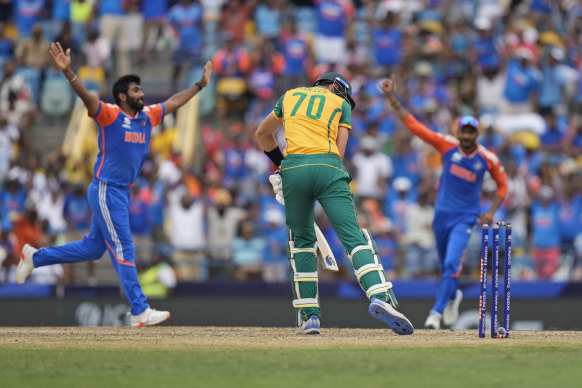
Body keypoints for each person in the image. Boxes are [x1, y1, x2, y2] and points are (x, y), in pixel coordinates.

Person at [16, 41, 213, 327]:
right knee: (124, 248)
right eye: (136, 90)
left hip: (120, 192)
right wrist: (69, 73)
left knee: (93, 248)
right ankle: (139, 310)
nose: (142, 94)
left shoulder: (146, 117)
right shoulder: (110, 115)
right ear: (122, 96)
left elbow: (173, 102)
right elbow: (87, 98)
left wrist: (200, 85)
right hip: (107, 188)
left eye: (141, 89)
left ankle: (34, 258)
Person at [255, 72, 414, 335]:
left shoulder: (289, 95)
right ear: (337, 87)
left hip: (293, 168)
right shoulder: (339, 104)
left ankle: (310, 318)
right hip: (328, 165)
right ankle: (380, 298)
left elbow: (262, 133)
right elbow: (338, 153)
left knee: (302, 243)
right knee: (354, 238)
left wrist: (283, 166)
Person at [379, 75, 508, 329]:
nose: (467, 135)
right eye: (464, 130)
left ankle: (435, 314)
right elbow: (416, 127)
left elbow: (503, 185)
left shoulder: (487, 158)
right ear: (457, 131)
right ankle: (452, 296)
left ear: (477, 133)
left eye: (472, 131)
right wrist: (393, 99)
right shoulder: (447, 145)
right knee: (445, 267)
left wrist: (491, 210)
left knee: (451, 263)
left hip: (466, 217)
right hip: (441, 215)